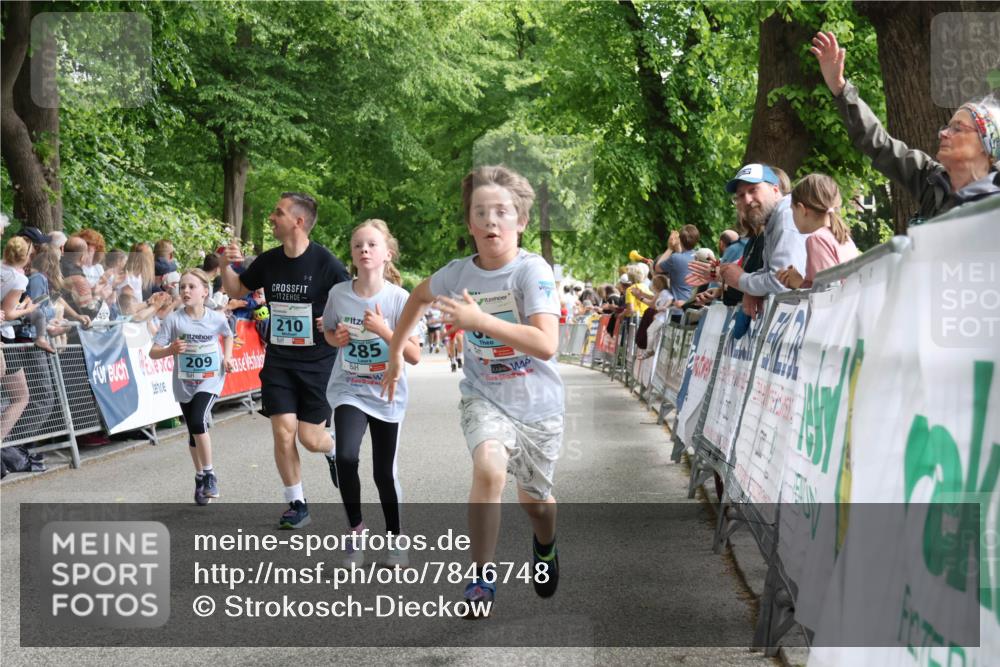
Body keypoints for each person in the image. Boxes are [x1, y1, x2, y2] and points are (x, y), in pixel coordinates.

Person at [382, 165, 563, 616]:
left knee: (536, 504)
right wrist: (394, 349)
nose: (490, 222)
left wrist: (480, 321)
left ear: (520, 221)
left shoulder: (532, 272)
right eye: (480, 213)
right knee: (488, 466)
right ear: (469, 224)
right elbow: (416, 296)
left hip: (538, 407)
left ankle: (545, 544)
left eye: (501, 212)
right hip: (485, 396)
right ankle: (481, 579)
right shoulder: (458, 273)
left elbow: (545, 344)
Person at [222, 191, 350, 529]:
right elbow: (237, 290)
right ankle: (296, 502)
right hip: (279, 360)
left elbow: (352, 301)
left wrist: (333, 321)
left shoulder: (326, 263)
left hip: (318, 362)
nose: (271, 217)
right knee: (283, 432)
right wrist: (225, 264)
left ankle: (331, 447)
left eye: (278, 213)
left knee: (310, 439)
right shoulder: (269, 260)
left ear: (299, 221)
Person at [811, 31, 1000, 224]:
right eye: (947, 127)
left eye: (957, 129)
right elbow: (880, 145)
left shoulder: (995, 204)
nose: (943, 133)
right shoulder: (930, 178)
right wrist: (839, 87)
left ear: (986, 146)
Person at [322, 219, 421, 568]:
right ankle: (356, 531)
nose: (364, 250)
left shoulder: (399, 299)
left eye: (372, 245)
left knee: (383, 473)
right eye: (357, 245)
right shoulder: (338, 294)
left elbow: (414, 354)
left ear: (387, 254)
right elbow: (330, 333)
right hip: (349, 387)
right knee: (346, 457)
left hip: (386, 392)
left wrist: (383, 330)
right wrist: (337, 339)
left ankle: (395, 537)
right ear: (351, 254)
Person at [150, 269, 235, 505]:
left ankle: (209, 474)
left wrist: (227, 357)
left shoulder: (216, 318)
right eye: (183, 287)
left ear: (205, 292)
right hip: (184, 381)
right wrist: (170, 350)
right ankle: (199, 476)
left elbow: (228, 335)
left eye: (191, 287)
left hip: (210, 378)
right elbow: (153, 352)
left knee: (198, 420)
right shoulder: (174, 319)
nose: (186, 291)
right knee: (193, 430)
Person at [703, 164, 808, 321]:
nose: (747, 200)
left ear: (775, 189)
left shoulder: (786, 217)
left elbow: (781, 283)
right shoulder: (774, 221)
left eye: (753, 190)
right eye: (740, 195)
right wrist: (749, 288)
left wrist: (742, 280)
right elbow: (772, 274)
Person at [777, 174, 860, 289]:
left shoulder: (817, 239)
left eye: (793, 210)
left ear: (801, 209)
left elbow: (825, 293)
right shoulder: (842, 236)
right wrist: (800, 281)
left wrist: (798, 283)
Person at [1, 237, 52, 352]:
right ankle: (41, 339)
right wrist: (28, 309)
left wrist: (22, 303)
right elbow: (8, 314)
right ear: (26, 258)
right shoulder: (19, 279)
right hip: (4, 331)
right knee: (13, 370)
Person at [656, 224, 701, 322]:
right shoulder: (697, 257)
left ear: (680, 240)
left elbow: (657, 267)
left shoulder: (675, 258)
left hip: (677, 310)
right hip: (692, 309)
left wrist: (670, 248)